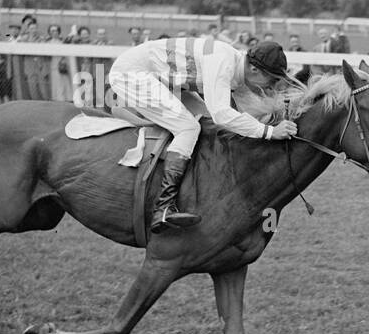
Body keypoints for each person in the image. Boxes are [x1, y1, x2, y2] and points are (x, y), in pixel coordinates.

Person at [107, 36, 298, 233]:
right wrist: (270, 132)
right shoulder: (224, 63)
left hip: (163, 77)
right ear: (254, 69)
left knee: (203, 118)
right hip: (133, 73)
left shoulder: (240, 71)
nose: (272, 86)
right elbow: (222, 115)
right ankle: (163, 207)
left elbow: (246, 115)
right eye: (272, 80)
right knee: (188, 128)